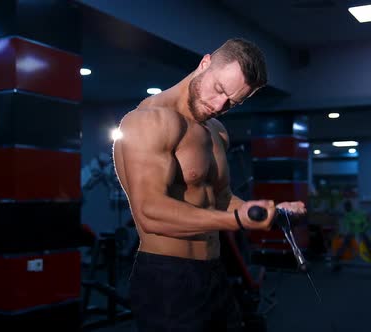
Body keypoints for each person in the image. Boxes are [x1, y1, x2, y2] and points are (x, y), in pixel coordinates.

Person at [112, 38, 307, 332]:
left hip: (215, 271)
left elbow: (222, 197)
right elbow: (149, 212)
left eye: (233, 101)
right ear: (204, 64)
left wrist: (264, 213)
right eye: (218, 90)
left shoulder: (216, 131)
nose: (219, 105)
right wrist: (239, 220)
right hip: (168, 278)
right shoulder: (149, 120)